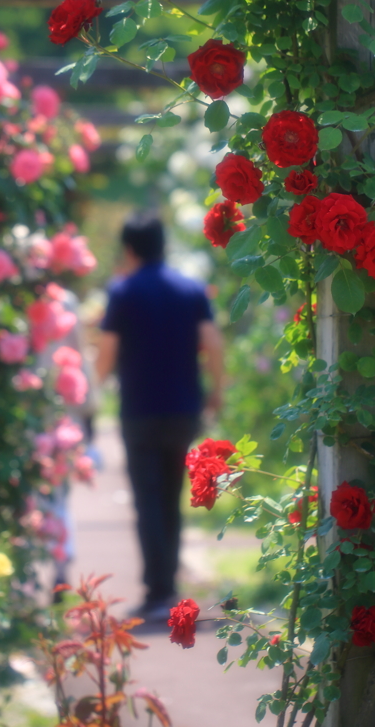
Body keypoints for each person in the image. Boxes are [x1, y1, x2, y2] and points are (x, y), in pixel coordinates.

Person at [95, 213, 225, 621]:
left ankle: (159, 589)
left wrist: (94, 385)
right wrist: (216, 389)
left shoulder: (123, 292)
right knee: (171, 496)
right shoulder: (190, 290)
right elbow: (213, 343)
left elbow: (106, 353)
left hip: (138, 411)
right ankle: (168, 584)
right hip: (184, 407)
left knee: (147, 498)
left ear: (130, 249)